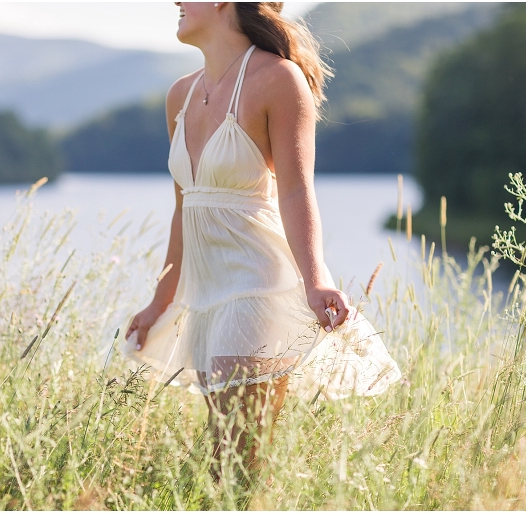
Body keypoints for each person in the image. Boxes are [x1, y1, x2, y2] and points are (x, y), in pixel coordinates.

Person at [124, 2, 401, 478]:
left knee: (233, 456)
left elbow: (295, 191)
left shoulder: (278, 79)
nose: (176, 3)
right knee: (230, 458)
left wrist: (315, 282)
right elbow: (184, 208)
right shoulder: (180, 95)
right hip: (206, 295)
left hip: (257, 284)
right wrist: (160, 301)